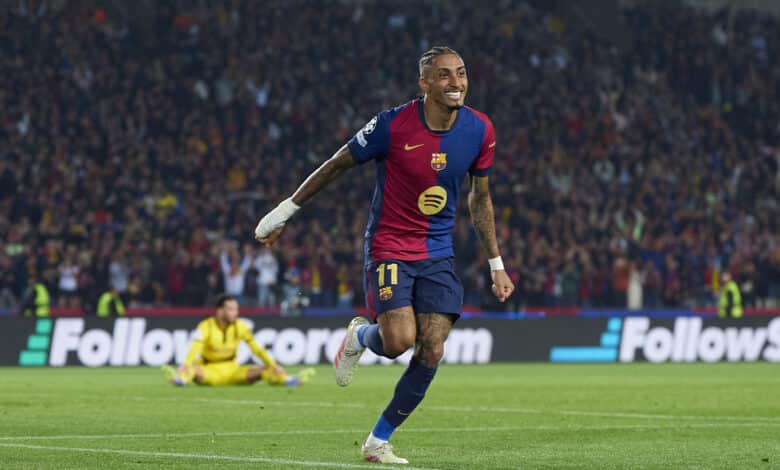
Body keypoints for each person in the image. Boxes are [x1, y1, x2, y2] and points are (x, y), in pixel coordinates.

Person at [254, 46, 514, 464]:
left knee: (431, 349)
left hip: (438, 251)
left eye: (461, 73)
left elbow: (479, 199)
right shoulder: (392, 125)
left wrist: (496, 264)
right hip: (390, 245)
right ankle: (360, 336)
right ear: (424, 84)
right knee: (397, 343)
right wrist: (285, 210)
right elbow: (336, 164)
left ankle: (378, 440)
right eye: (444, 75)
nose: (456, 83)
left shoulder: (480, 129)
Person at [162, 294, 314, 387]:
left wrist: (273, 365)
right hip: (209, 372)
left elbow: (257, 349)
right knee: (192, 369)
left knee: (264, 370)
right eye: (231, 309)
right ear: (220, 310)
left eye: (236, 309)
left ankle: (288, 380)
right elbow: (195, 348)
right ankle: (180, 379)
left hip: (234, 371)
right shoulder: (205, 326)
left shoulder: (240, 326)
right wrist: (186, 365)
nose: (236, 313)